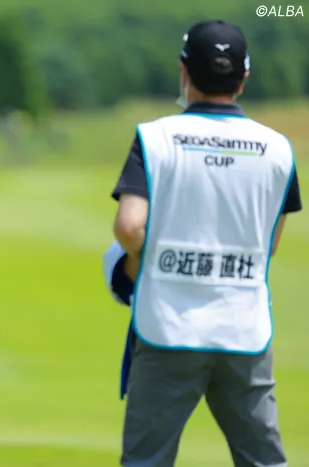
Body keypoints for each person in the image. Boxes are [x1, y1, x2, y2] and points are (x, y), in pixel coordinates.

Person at [109, 20, 302, 467]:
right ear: (244, 77)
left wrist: (143, 262)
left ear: (184, 71)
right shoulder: (278, 148)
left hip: (167, 328)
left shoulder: (154, 138)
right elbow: (269, 244)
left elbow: (129, 226)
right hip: (244, 330)